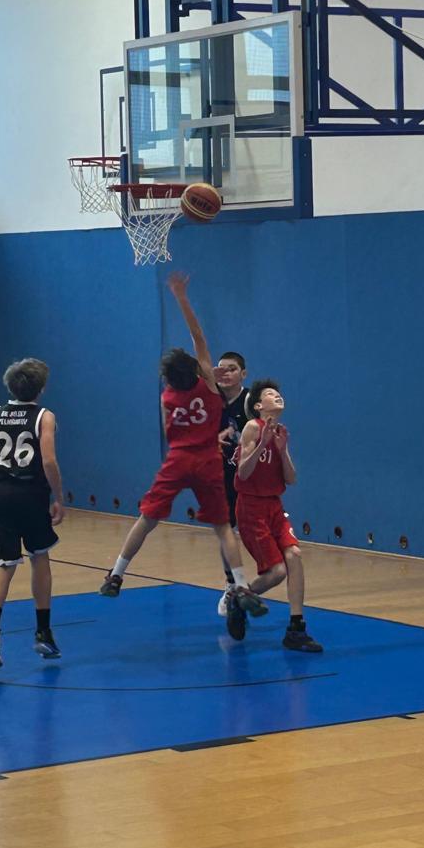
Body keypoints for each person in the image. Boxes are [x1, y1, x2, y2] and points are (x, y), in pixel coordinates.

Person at [100, 272, 266, 635]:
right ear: (196, 369)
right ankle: (240, 585)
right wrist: (181, 296)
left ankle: (116, 574)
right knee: (223, 528)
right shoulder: (209, 383)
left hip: (178, 459)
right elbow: (198, 336)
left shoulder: (167, 396)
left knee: (147, 519)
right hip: (207, 459)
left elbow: (168, 431)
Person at [0, 358, 64, 667]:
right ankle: (43, 633)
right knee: (39, 557)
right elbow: (48, 460)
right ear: (41, 388)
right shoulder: (44, 416)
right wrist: (58, 496)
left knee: (4, 563)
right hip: (30, 493)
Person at [234, 378, 322, 652]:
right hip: (251, 507)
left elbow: (291, 478)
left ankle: (296, 627)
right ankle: (240, 599)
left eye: (278, 393)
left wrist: (282, 451)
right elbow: (243, 473)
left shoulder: (281, 432)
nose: (277, 396)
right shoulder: (252, 427)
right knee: (277, 572)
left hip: (274, 505)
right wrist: (263, 444)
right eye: (270, 394)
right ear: (258, 406)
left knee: (294, 555)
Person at [215, 349, 250, 616]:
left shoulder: (250, 401)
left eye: (232, 369)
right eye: (221, 369)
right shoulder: (210, 399)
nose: (226, 373)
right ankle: (231, 585)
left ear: (243, 374)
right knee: (225, 530)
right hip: (221, 477)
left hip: (249, 478)